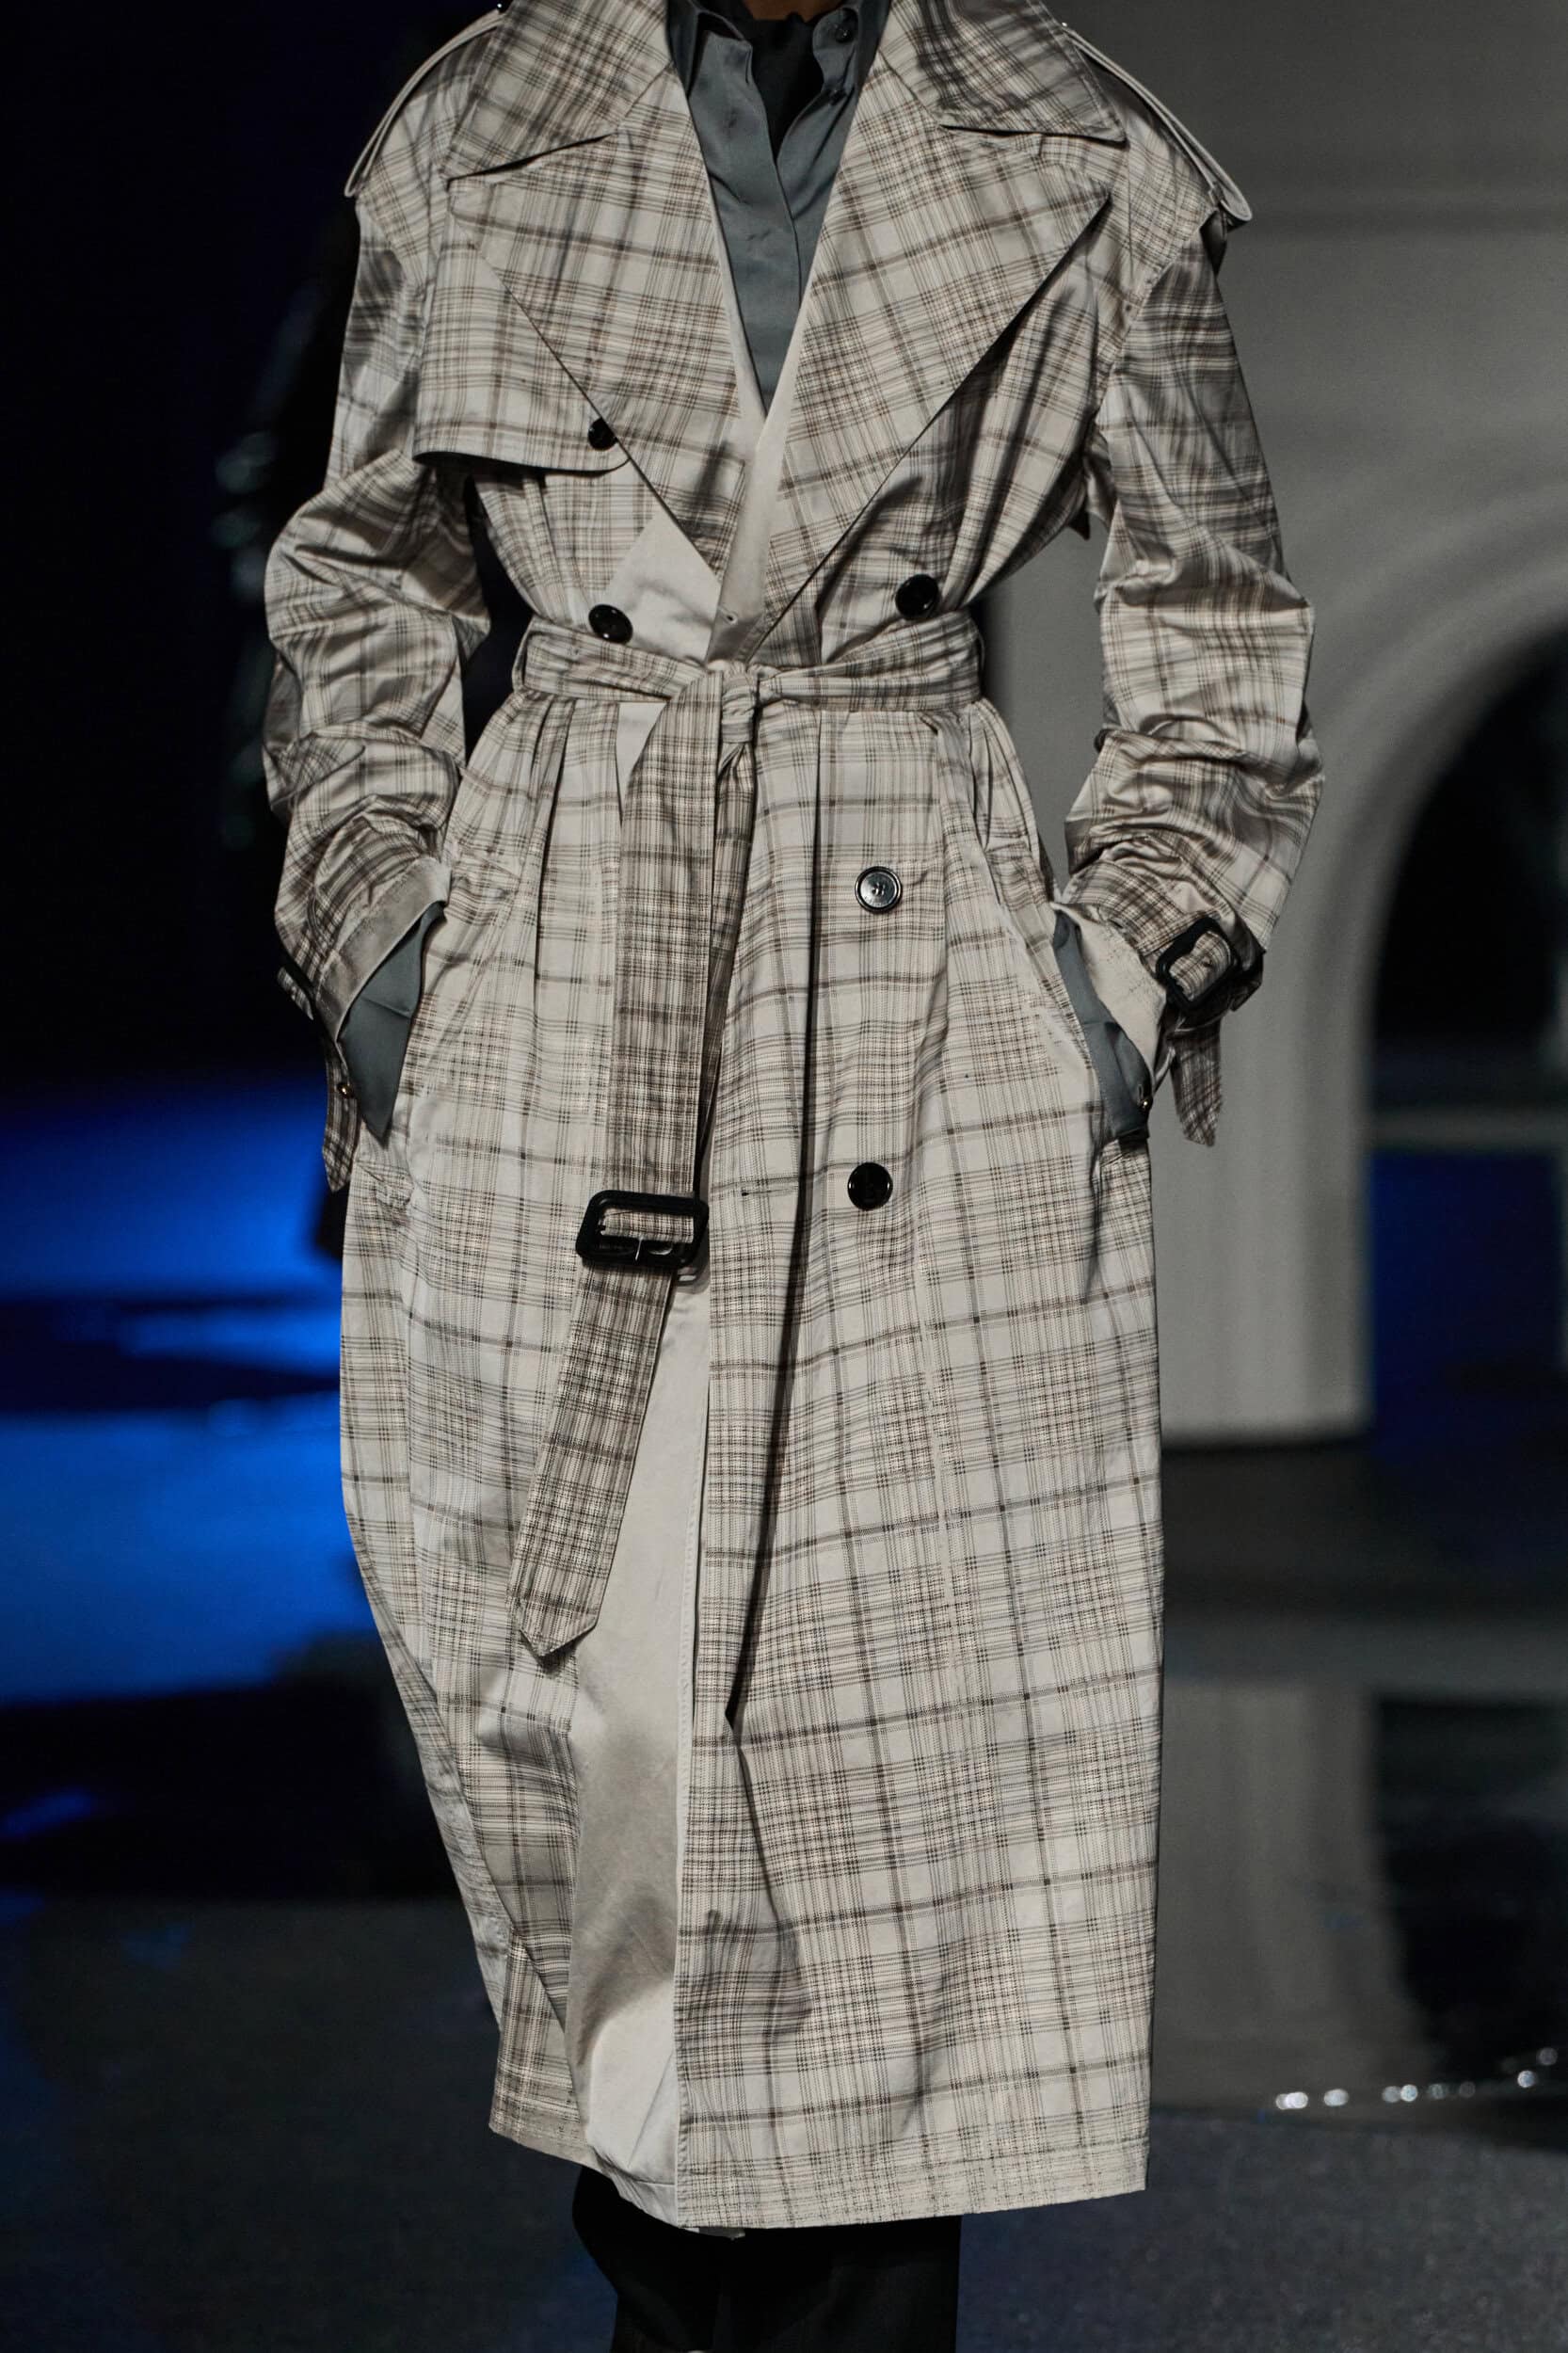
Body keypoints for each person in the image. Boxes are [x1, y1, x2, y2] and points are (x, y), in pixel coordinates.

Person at [262, 0, 1324, 2345]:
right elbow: (360, 581)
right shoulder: (482, 125)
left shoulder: (1081, 157)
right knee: (603, 1770)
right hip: (561, 991)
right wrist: (389, 950)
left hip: (915, 1023)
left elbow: (1216, 630)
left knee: (890, 1799)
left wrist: (1109, 992)